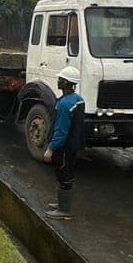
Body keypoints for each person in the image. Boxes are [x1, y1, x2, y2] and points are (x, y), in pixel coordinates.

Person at [43, 66, 85, 219]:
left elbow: (61, 131)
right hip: (73, 146)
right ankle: (61, 203)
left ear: (67, 83)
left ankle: (64, 210)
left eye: (61, 79)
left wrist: (51, 148)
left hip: (63, 147)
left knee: (63, 174)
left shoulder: (64, 104)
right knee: (67, 173)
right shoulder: (78, 100)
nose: (58, 81)